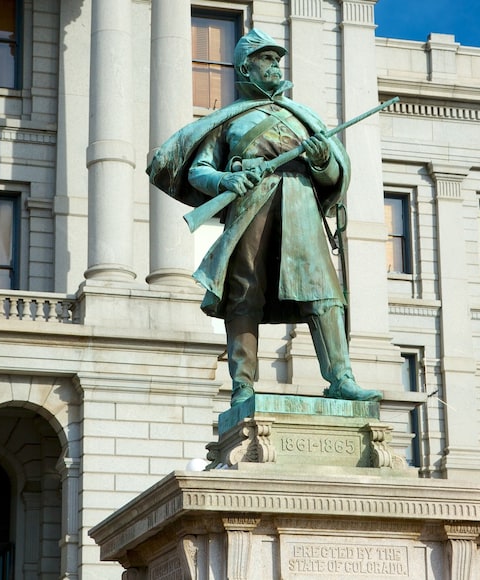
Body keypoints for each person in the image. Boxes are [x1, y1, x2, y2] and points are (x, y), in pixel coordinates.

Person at [148, 29, 382, 407]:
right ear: (245, 67)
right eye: (267, 59)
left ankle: (342, 378)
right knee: (244, 292)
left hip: (300, 204)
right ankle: (243, 385)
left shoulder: (302, 117)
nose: (275, 65)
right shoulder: (228, 121)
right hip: (251, 206)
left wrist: (322, 161)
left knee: (324, 291)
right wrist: (228, 177)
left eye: (277, 59)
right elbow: (198, 171)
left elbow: (334, 178)